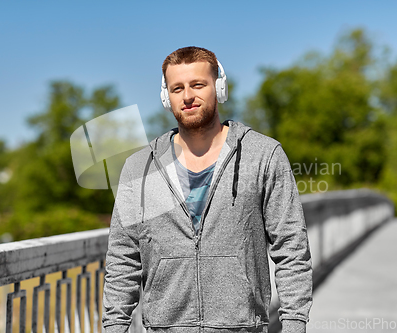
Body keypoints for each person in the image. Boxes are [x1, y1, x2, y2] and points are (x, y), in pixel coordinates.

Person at [102, 46, 312, 333]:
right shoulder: (140, 168)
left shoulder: (264, 155)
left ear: (219, 88)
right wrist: (115, 327)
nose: (188, 96)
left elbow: (291, 247)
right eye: (177, 88)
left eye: (198, 85)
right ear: (167, 97)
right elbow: (122, 259)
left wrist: (294, 324)